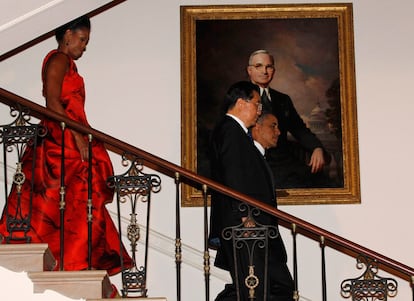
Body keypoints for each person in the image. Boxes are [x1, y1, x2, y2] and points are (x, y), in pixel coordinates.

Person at [0, 15, 132, 275]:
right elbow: (52, 100)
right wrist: (76, 135)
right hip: (62, 134)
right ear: (68, 34)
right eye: (82, 40)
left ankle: (72, 258)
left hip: (67, 131)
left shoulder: (66, 63)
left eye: (86, 41)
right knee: (76, 196)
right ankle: (73, 259)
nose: (84, 46)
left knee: (73, 199)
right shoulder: (59, 59)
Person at [209, 81, 294, 300]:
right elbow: (234, 177)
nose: (259, 110)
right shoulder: (230, 130)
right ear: (240, 102)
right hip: (247, 228)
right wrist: (246, 218)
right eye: (256, 104)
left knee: (259, 288)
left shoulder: (236, 131)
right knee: (256, 290)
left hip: (252, 229)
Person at [247, 49, 331, 188]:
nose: (264, 71)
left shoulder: (283, 99)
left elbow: (299, 129)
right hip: (252, 160)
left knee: (320, 183)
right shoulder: (240, 96)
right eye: (259, 66)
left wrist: (316, 147)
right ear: (249, 70)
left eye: (269, 67)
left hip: (282, 161)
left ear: (274, 70)